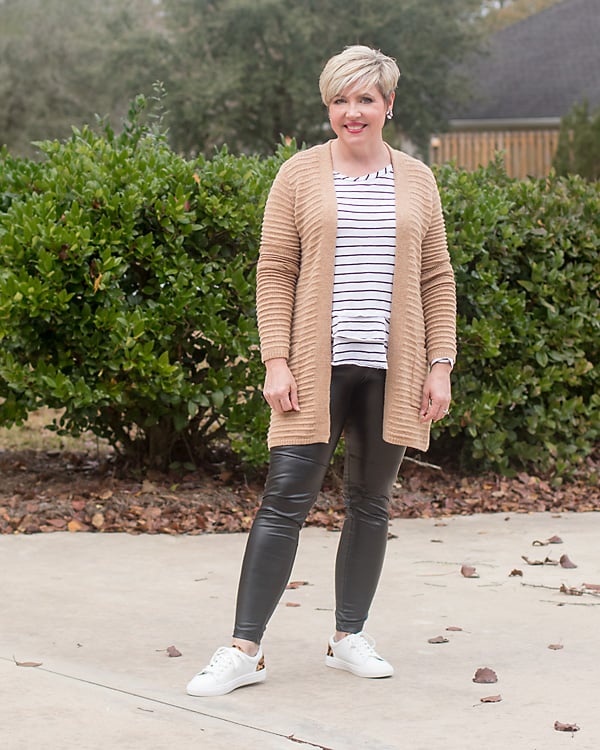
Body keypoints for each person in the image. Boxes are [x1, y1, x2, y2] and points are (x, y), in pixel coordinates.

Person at [186, 45, 456, 697]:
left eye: (365, 99)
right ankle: (244, 649)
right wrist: (275, 360)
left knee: (370, 504)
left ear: (389, 104)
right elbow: (274, 269)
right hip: (316, 368)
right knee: (284, 501)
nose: (351, 112)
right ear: (328, 106)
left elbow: (436, 276)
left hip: (389, 371)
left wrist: (439, 364)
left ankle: (348, 637)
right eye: (340, 99)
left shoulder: (417, 179)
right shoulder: (300, 174)